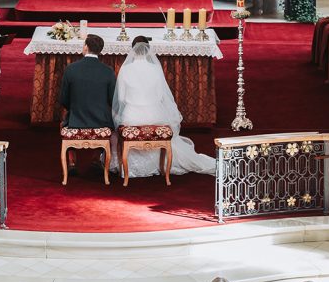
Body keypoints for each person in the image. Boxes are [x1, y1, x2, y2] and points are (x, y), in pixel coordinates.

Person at [112, 39, 215, 177]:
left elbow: (121, 99)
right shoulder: (155, 69)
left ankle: (130, 166)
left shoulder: (125, 69)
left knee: (117, 131)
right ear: (148, 51)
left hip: (132, 117)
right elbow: (161, 96)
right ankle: (160, 165)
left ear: (132, 51)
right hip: (155, 115)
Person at [59, 33, 115, 130]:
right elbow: (112, 100)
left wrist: (75, 110)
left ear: (86, 47)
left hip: (75, 121)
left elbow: (63, 99)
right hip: (101, 122)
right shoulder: (108, 71)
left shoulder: (71, 69)